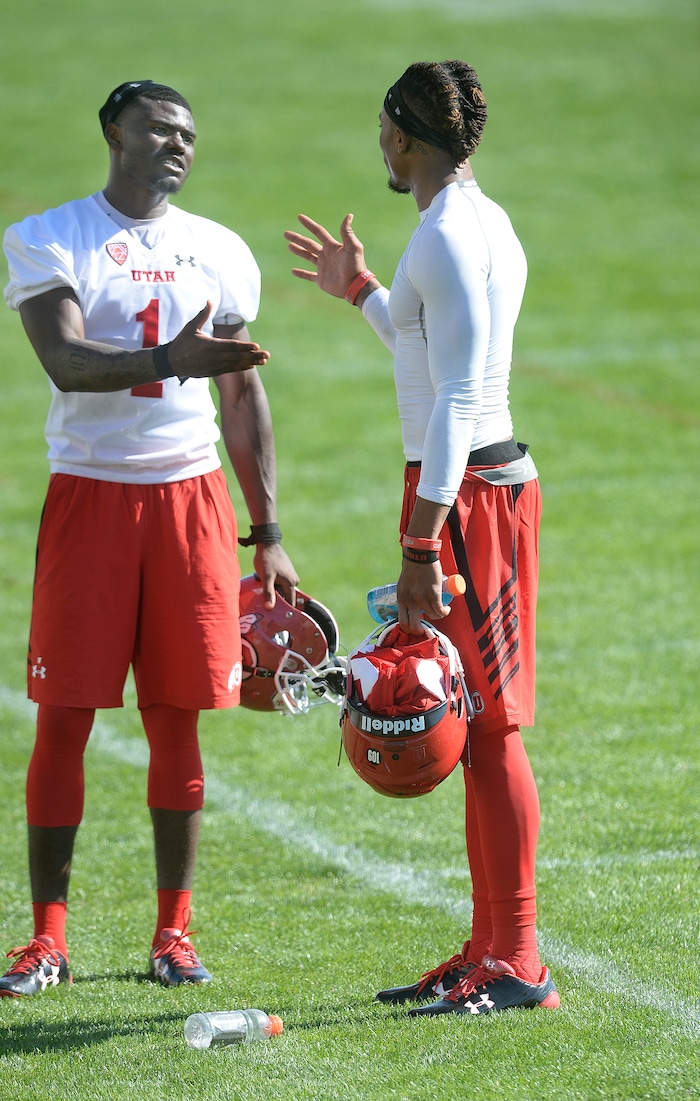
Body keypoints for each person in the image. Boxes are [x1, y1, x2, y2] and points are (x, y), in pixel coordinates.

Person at [0, 80, 298, 997]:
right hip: (91, 498)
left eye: (190, 135)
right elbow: (64, 359)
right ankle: (47, 938)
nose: (178, 144)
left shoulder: (218, 250)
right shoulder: (50, 235)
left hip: (190, 502)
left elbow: (242, 394)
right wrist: (172, 361)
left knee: (178, 719)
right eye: (161, 128)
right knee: (65, 720)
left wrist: (269, 530)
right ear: (112, 131)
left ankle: (174, 933)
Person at [285, 59, 560, 1016]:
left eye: (381, 130)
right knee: (481, 729)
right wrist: (360, 288)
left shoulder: (446, 237)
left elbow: (454, 394)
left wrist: (419, 547)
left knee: (490, 727)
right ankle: (491, 946)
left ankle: (519, 957)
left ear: (401, 137)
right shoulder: (478, 225)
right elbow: (427, 352)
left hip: (464, 493)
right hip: (466, 484)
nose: (379, 145)